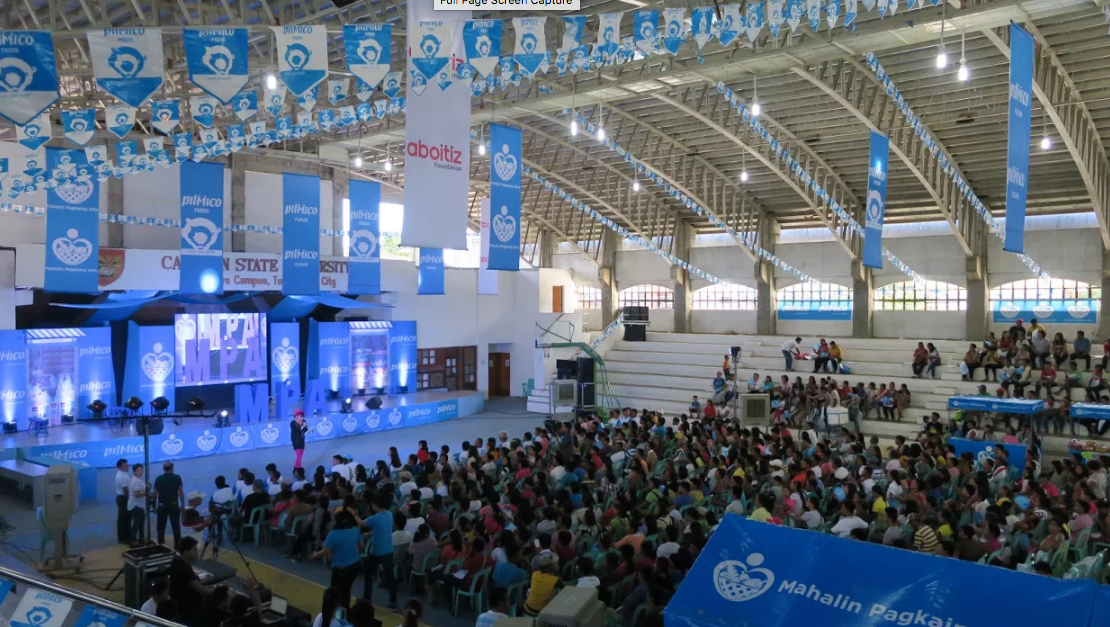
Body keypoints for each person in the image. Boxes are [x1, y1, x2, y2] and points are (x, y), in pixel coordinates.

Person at [315, 510, 364, 610]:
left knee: (335, 592)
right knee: (346, 589)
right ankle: (345, 611)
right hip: (354, 565)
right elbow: (361, 547)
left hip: (340, 568)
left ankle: (335, 613)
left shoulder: (333, 534)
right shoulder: (355, 530)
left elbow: (325, 552)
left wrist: (315, 554)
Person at [361, 494, 398, 611]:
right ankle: (393, 601)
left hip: (376, 551)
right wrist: (370, 533)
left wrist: (353, 515)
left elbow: (361, 523)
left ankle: (366, 599)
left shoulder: (374, 518)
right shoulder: (389, 514)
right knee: (390, 576)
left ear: (374, 505)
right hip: (388, 549)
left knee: (368, 575)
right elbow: (382, 528)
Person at [168, 537, 210, 627]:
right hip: (188, 608)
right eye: (194, 549)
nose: (196, 552)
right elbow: (196, 586)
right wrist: (214, 593)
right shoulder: (184, 567)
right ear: (186, 552)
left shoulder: (177, 560)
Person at [153, 461, 184, 549]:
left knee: (161, 527)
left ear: (164, 469)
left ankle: (161, 546)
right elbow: (180, 492)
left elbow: (155, 494)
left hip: (162, 507)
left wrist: (153, 506)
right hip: (174, 506)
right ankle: (177, 547)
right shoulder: (177, 478)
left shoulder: (158, 479)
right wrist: (182, 504)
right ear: (172, 468)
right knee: (176, 527)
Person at [128, 463, 147, 546]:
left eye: (141, 470)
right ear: (134, 471)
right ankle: (133, 542)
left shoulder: (138, 479)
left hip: (139, 506)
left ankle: (140, 540)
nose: (141, 472)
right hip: (137, 506)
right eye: (139, 470)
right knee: (137, 525)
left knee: (140, 524)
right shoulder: (136, 481)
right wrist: (146, 493)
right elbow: (137, 494)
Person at [115, 458, 132, 544]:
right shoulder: (122, 476)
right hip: (124, 498)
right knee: (124, 518)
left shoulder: (123, 474)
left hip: (122, 498)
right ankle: (123, 538)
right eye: (125, 466)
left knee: (125, 518)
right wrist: (131, 500)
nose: (127, 467)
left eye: (127, 465)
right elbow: (125, 490)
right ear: (120, 467)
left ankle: (125, 536)